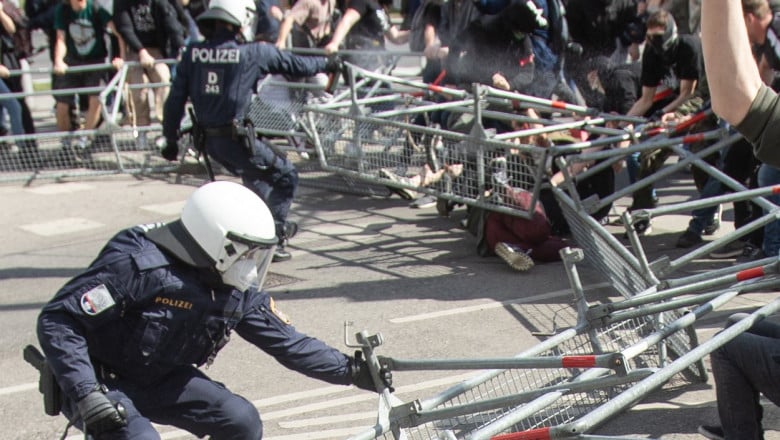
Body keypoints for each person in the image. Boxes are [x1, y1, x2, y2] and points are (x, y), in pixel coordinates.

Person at [35, 180, 391, 439]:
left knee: (241, 420)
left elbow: (288, 343)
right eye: (246, 251)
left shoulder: (232, 283)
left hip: (160, 377)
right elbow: (59, 320)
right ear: (214, 239)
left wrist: (351, 370)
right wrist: (86, 393)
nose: (252, 265)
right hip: (98, 380)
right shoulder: (140, 265)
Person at [161, 0, 339, 263]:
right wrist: (329, 62)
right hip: (236, 141)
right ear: (243, 19)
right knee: (286, 175)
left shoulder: (193, 53)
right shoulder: (253, 53)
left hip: (209, 142)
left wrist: (170, 139)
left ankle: (253, 234)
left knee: (256, 181)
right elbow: (297, 65)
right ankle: (274, 240)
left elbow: (175, 100)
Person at [52, 0, 122, 163]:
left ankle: (84, 139)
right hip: (72, 59)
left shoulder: (96, 9)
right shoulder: (63, 10)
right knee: (62, 103)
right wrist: (58, 60)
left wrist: (120, 57)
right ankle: (66, 143)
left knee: (96, 100)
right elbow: (60, 38)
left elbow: (118, 32)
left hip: (95, 59)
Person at [113, 0, 185, 147]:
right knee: (139, 90)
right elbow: (125, 28)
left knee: (164, 81)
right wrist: (141, 51)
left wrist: (180, 48)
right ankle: (142, 130)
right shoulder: (122, 3)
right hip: (133, 50)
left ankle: (165, 129)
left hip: (156, 49)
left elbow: (172, 22)